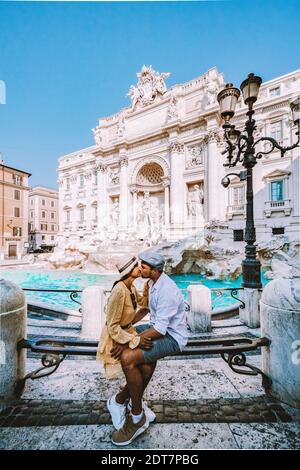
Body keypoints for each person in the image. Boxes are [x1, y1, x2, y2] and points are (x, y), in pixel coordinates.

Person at [108, 250, 188, 446]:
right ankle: (128, 403)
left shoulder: (167, 291)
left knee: (128, 358)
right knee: (146, 366)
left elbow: (160, 330)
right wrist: (127, 330)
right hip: (158, 329)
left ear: (154, 270)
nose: (139, 268)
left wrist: (129, 340)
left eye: (143, 266)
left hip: (172, 338)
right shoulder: (152, 283)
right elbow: (146, 310)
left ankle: (135, 417)